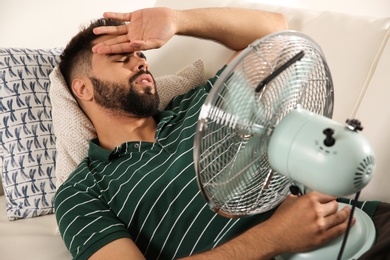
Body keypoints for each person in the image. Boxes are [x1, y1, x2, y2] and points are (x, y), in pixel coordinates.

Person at [54, 7, 389, 260]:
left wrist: (178, 20)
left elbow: (273, 34)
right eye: (122, 58)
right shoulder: (82, 192)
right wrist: (273, 237)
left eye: (141, 54)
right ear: (83, 89)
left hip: (360, 225)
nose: (141, 62)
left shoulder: (206, 104)